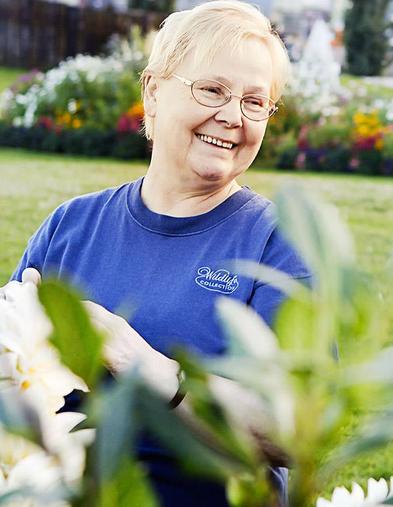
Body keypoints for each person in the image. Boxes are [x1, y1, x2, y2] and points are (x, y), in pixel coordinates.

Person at [5, 2, 307, 504]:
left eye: (255, 102)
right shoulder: (69, 227)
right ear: (153, 90)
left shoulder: (276, 245)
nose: (232, 116)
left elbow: (293, 432)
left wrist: (139, 362)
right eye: (212, 90)